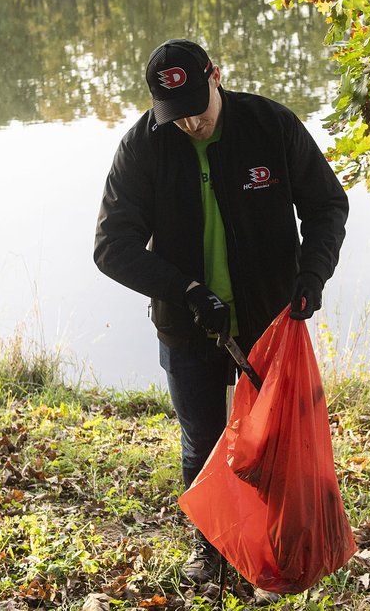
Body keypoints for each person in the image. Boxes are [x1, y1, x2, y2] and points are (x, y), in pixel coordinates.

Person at [93, 38, 348, 585]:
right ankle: (209, 545)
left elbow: (327, 204)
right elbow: (112, 247)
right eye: (174, 116)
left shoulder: (269, 125)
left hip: (269, 321)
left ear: (216, 76)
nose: (189, 124)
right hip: (188, 326)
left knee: (277, 438)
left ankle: (288, 538)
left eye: (196, 109)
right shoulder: (143, 147)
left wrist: (312, 274)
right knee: (203, 440)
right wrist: (186, 291)